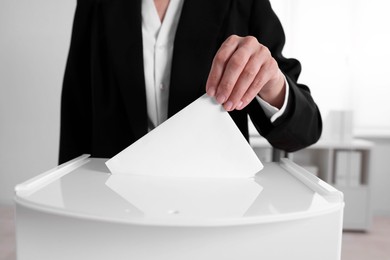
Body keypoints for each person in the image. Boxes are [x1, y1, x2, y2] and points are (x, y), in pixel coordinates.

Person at [58, 0, 322, 164]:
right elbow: (76, 109)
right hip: (116, 200)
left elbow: (304, 130)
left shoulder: (243, 2)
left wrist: (271, 83)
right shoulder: (94, 3)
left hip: (211, 201)